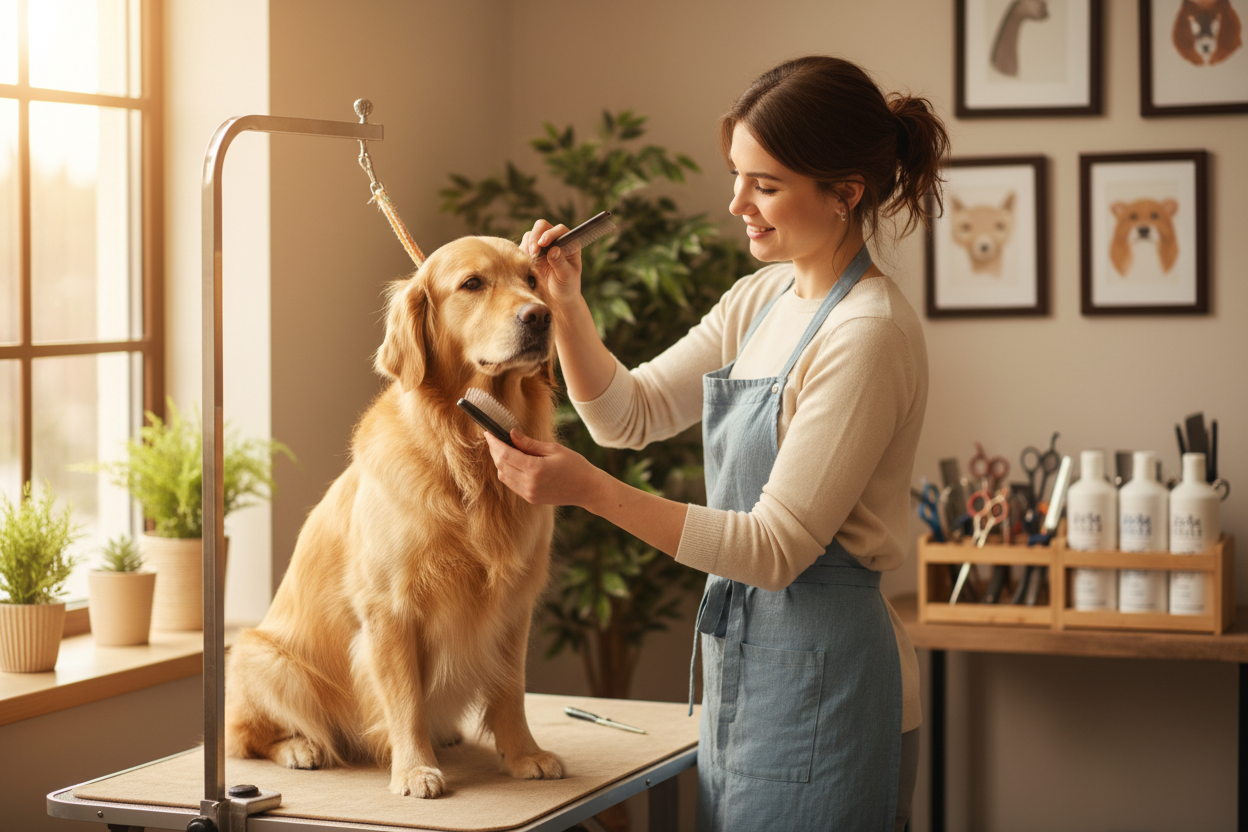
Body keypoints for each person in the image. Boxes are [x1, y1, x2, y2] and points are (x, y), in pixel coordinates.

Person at [484, 55, 949, 832]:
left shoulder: (866, 334)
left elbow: (773, 550)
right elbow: (625, 415)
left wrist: (593, 492)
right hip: (748, 673)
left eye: (764, 184)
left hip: (834, 687)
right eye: (737, 175)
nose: (736, 202)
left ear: (845, 193)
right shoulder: (762, 298)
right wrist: (564, 303)